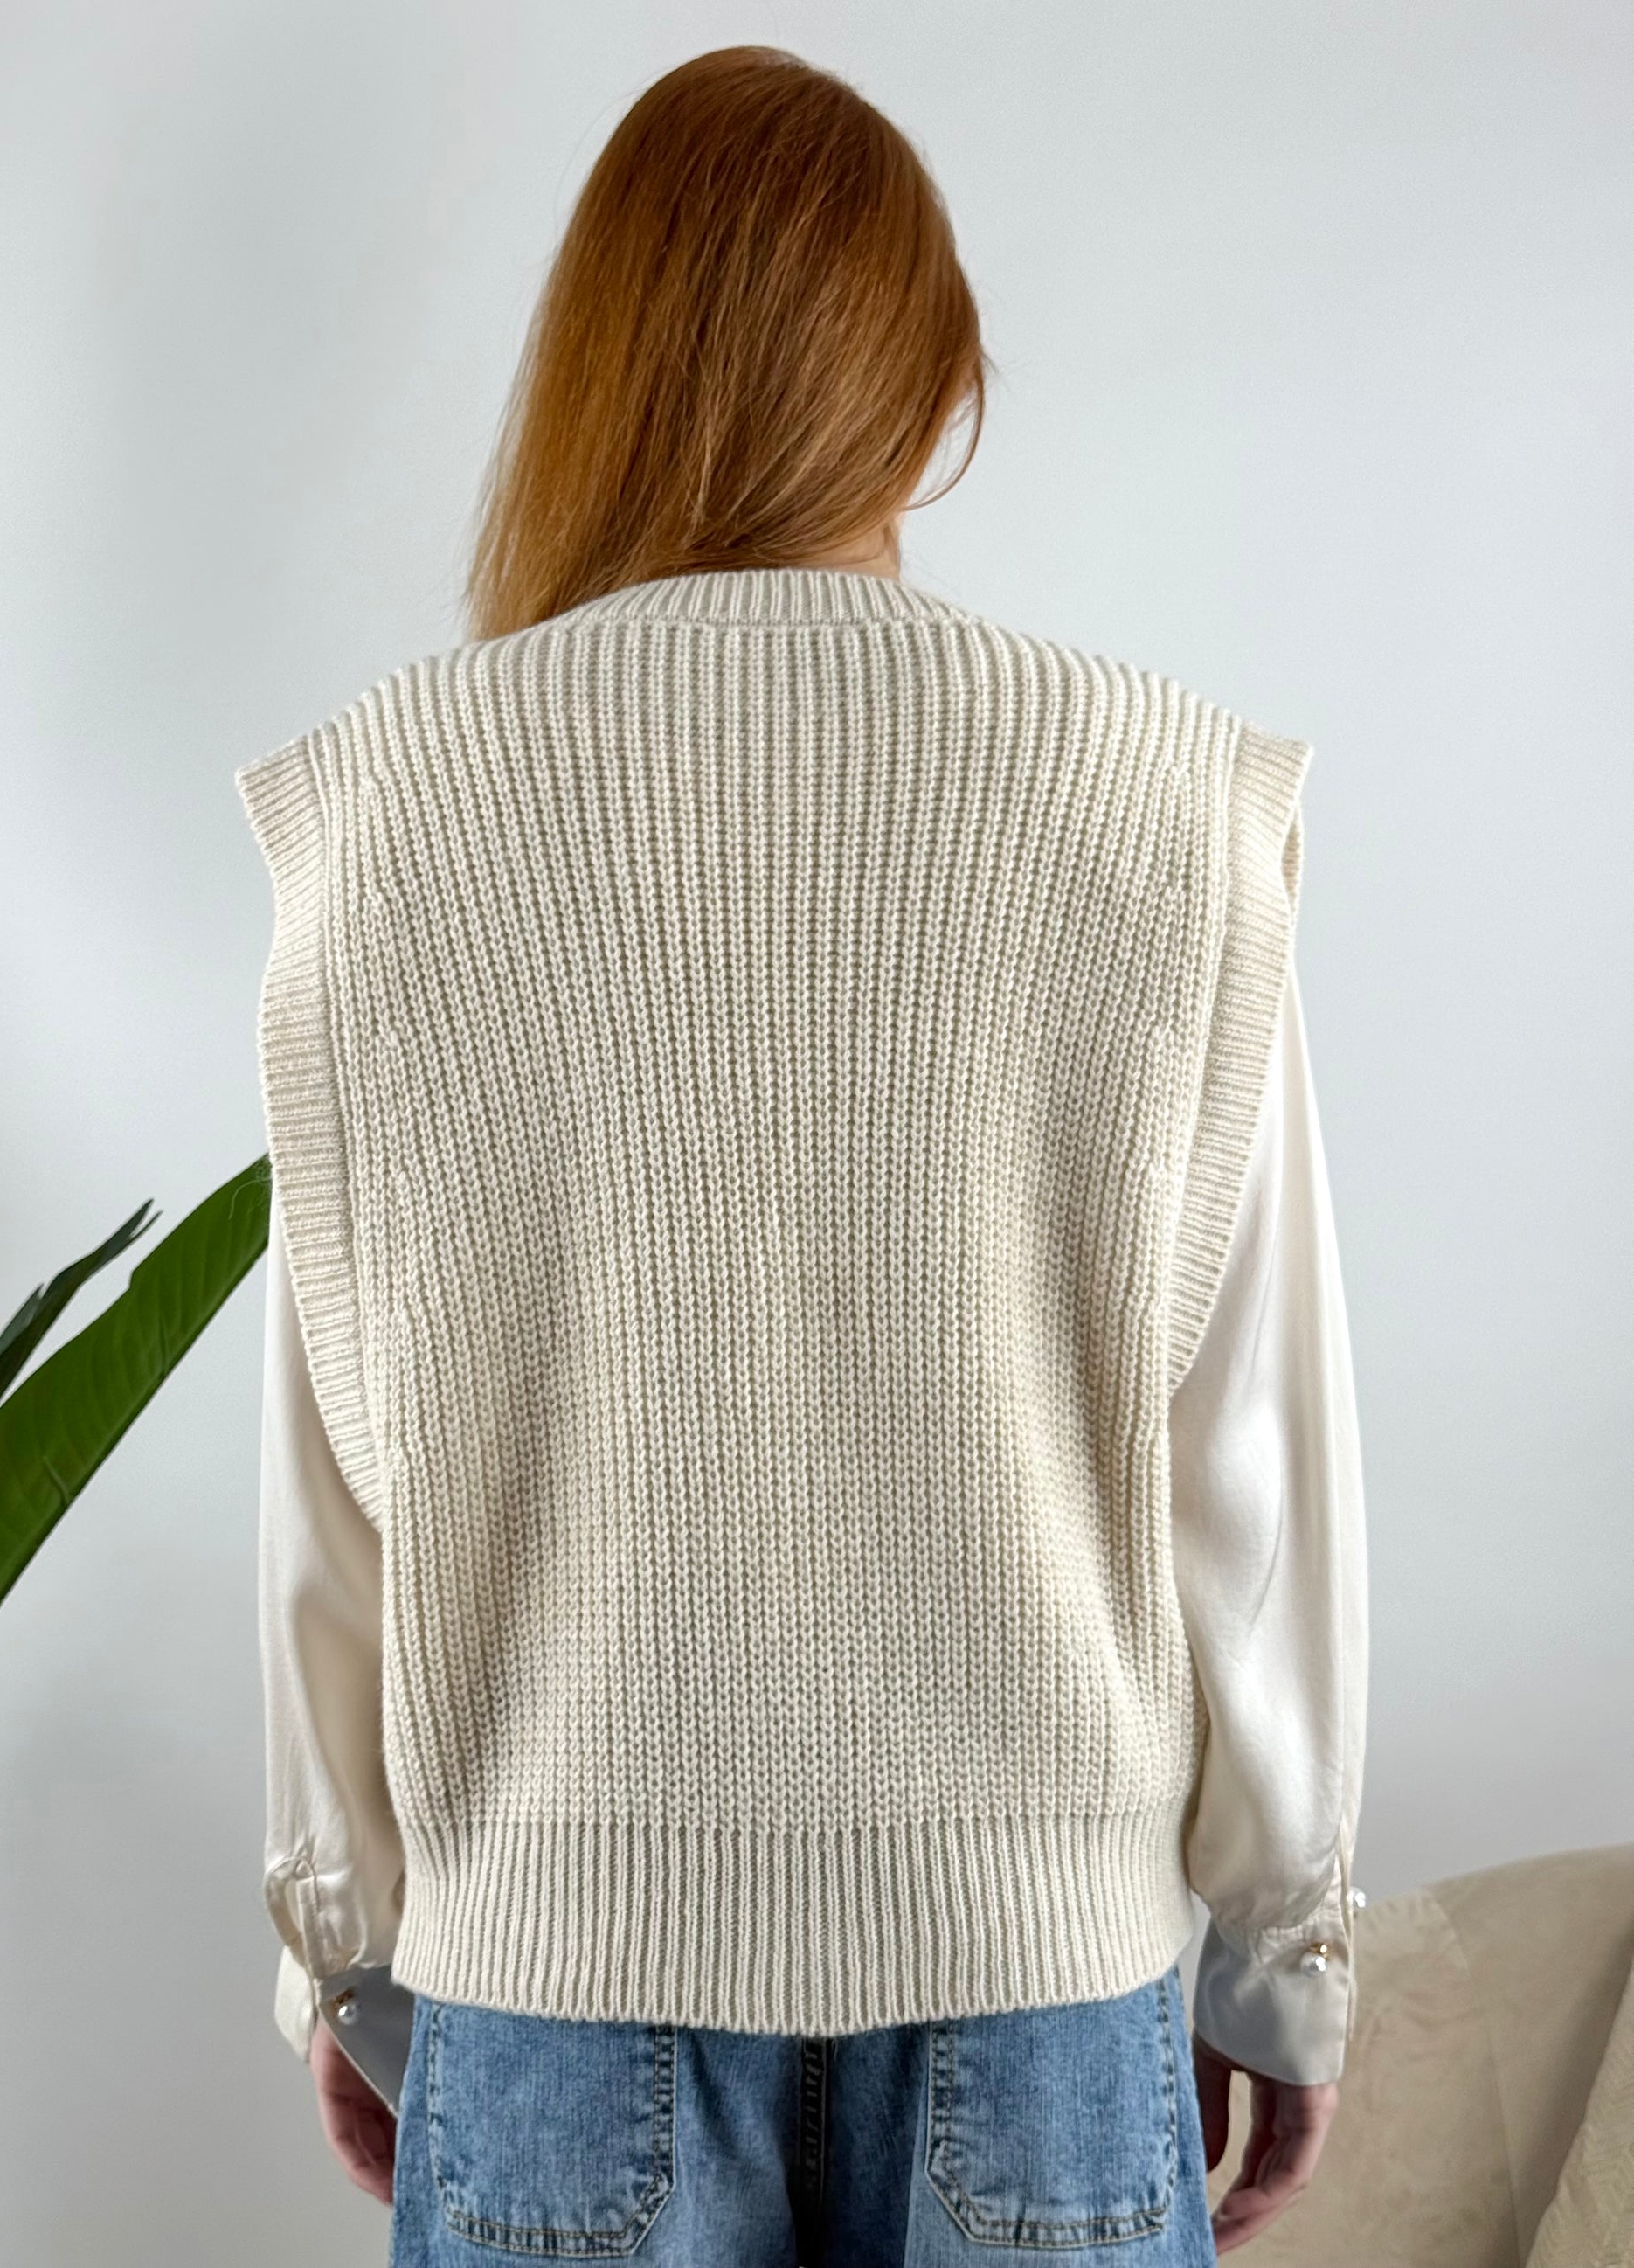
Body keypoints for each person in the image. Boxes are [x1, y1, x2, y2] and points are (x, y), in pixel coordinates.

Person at [238, 44, 1368, 2268]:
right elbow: (1244, 1460)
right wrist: (1280, 1951)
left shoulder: (386, 820)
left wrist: (348, 1945)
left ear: (597, 376)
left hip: (551, 1992)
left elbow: (337, 1467)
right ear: (932, 391)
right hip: (1044, 1992)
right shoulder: (1160, 806)